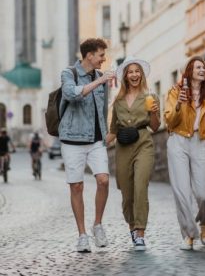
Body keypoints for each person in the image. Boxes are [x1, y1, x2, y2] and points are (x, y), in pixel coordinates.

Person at [59, 38, 114, 253]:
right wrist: (99, 83)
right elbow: (71, 94)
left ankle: (97, 224)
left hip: (96, 140)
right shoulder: (69, 73)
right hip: (72, 139)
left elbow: (103, 109)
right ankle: (82, 235)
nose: (103, 59)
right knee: (77, 186)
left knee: (103, 180)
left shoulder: (101, 77)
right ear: (89, 55)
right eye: (101, 55)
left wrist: (107, 131)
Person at [164, 56, 205, 250]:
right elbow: (169, 122)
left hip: (201, 142)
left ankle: (204, 221)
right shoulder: (174, 92)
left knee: (203, 193)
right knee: (181, 192)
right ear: (188, 71)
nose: (202, 70)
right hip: (178, 140)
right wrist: (179, 105)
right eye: (197, 67)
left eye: (203, 67)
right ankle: (189, 233)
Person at [106, 56, 160, 251]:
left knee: (140, 187)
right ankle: (131, 225)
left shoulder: (150, 97)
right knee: (127, 193)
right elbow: (112, 130)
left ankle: (140, 233)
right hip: (122, 148)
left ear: (142, 75)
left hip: (143, 143)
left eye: (137, 71)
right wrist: (95, 146)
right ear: (126, 76)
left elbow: (155, 126)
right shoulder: (118, 101)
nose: (134, 74)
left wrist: (154, 112)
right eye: (131, 72)